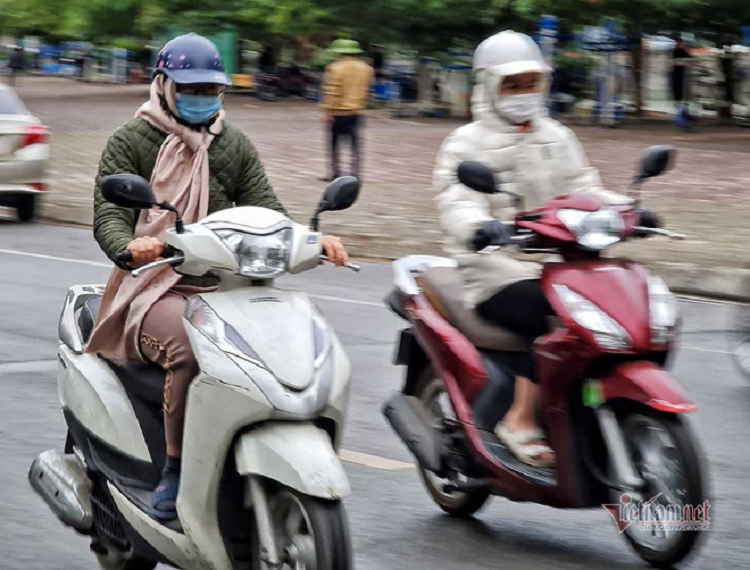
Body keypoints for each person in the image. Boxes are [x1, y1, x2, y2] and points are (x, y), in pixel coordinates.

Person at [85, 33, 349, 520]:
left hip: (228, 282)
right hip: (155, 282)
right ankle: (176, 470)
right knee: (190, 348)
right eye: (192, 89)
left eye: (212, 91)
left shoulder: (231, 144)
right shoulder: (131, 140)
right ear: (163, 85)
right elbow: (110, 214)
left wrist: (310, 240)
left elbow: (267, 207)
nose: (203, 99)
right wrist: (129, 247)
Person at [434, 31, 632, 468]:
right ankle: (521, 419)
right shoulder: (464, 144)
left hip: (561, 261)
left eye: (530, 84)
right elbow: (456, 200)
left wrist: (630, 209)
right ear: (488, 86)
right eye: (512, 84)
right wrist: (480, 228)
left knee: (621, 303)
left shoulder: (557, 136)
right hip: (494, 268)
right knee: (557, 315)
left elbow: (585, 188)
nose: (523, 94)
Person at [320, 39, 374, 181]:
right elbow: (367, 90)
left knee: (334, 144)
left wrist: (328, 111)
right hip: (357, 111)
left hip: (338, 112)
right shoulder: (366, 69)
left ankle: (335, 173)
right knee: (355, 143)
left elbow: (331, 91)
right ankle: (356, 173)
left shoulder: (334, 68)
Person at [671, 37, 693, 129]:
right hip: (681, 79)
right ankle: (682, 122)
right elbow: (690, 59)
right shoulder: (679, 52)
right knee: (682, 101)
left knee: (680, 101)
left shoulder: (676, 52)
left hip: (679, 79)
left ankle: (681, 121)